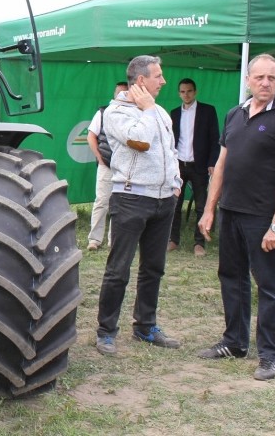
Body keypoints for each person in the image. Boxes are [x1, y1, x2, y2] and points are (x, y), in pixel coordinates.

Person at [197, 53, 275, 381]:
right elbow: (221, 166)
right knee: (231, 278)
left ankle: (272, 354)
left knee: (271, 286)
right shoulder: (235, 114)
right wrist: (209, 209)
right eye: (259, 77)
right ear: (248, 80)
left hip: (263, 219)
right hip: (231, 213)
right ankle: (234, 342)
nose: (265, 83)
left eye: (272, 78)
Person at [95, 56, 182, 356]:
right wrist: (146, 110)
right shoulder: (116, 112)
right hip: (131, 198)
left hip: (162, 200)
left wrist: (176, 181)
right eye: (158, 76)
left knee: (153, 269)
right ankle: (106, 331)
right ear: (141, 81)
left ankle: (145, 326)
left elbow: (169, 150)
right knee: (119, 269)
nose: (164, 81)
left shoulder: (158, 111)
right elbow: (140, 140)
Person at [168, 78, 220, 257]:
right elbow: (170, 141)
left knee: (201, 205)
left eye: (189, 91)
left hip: (199, 165)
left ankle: (199, 243)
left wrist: (212, 162)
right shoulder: (174, 114)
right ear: (179, 93)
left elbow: (215, 139)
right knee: (174, 205)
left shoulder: (208, 111)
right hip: (179, 165)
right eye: (182, 91)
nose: (186, 94)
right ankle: (173, 240)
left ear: (195, 92)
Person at [86, 81, 128, 251]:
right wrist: (100, 157)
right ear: (114, 95)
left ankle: (114, 240)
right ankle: (94, 240)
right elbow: (91, 136)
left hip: (125, 167)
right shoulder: (102, 112)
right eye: (120, 93)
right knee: (102, 201)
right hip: (106, 165)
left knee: (120, 204)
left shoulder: (134, 114)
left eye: (126, 93)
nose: (123, 96)